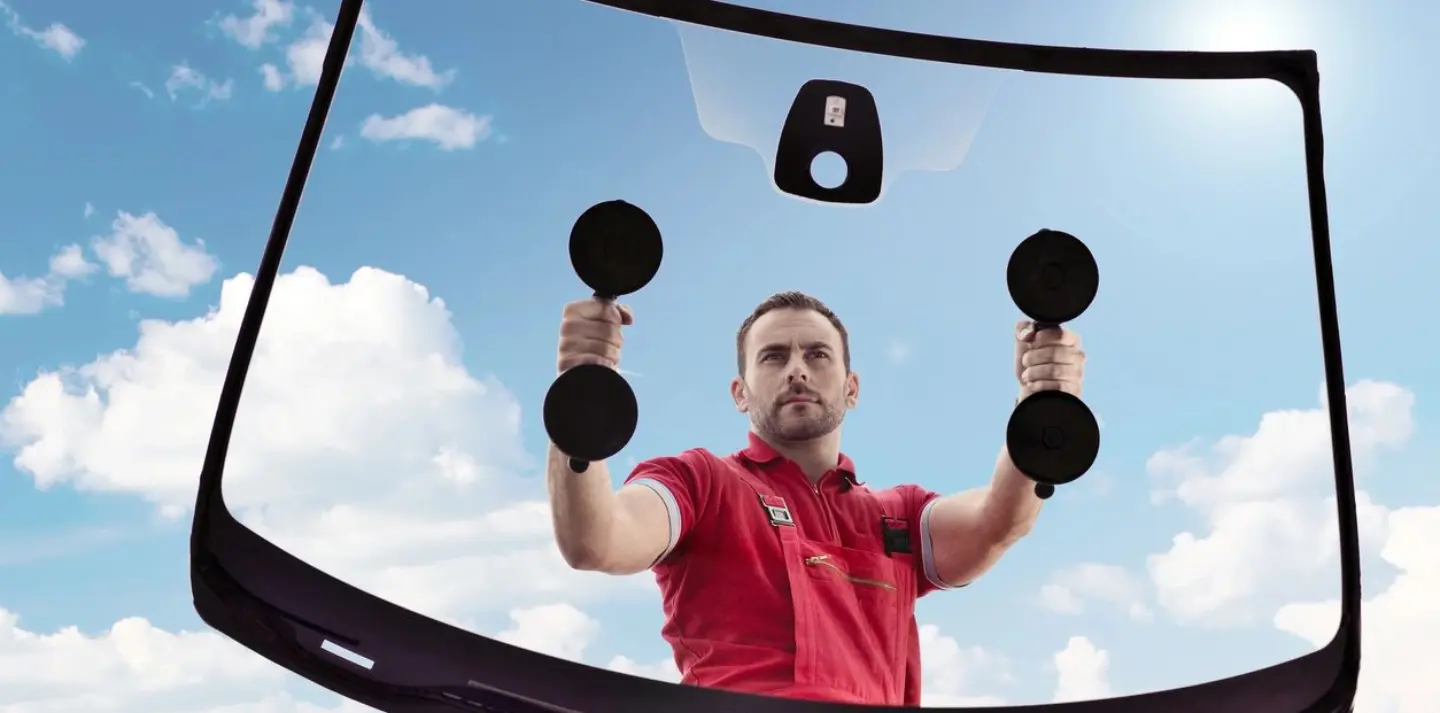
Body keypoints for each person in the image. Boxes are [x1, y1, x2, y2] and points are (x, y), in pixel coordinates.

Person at [547, 291, 1086, 706]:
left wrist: (1041, 403)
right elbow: (597, 541)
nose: (797, 370)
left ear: (852, 388)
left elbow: (1001, 521)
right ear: (740, 393)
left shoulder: (899, 514)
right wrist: (581, 388)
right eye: (774, 357)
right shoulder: (698, 482)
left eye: (816, 354)